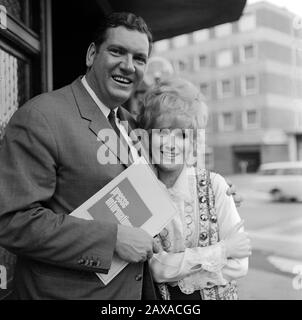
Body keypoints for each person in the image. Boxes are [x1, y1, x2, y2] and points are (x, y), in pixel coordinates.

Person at [0, 12, 241, 300]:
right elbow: (11, 220)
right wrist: (112, 240)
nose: (128, 66)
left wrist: (214, 193)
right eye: (117, 51)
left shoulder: (132, 123)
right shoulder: (42, 116)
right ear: (92, 54)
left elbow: (169, 170)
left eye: (139, 58)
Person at [137, 78, 251, 300]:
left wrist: (177, 271)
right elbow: (155, 269)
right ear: (147, 136)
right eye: (162, 132)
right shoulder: (142, 191)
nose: (170, 144)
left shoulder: (216, 185)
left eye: (181, 135)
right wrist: (221, 251)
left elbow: (239, 265)